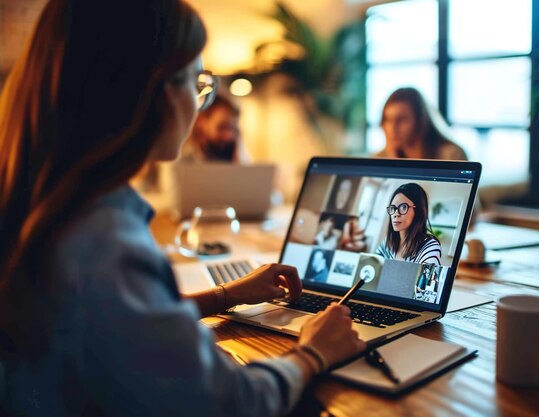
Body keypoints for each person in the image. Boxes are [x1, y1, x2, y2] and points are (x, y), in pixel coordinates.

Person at [0, 1, 365, 416]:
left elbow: (126, 326)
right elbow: (231, 405)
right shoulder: (105, 243)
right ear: (152, 92)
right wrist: (314, 354)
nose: (200, 103)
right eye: (197, 83)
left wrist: (226, 295)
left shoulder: (44, 206)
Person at [375, 87, 467, 160]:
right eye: (388, 120)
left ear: (420, 121)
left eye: (402, 119)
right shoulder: (379, 158)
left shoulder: (451, 156)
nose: (393, 128)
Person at [376, 183, 442, 265]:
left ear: (418, 211)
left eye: (403, 207)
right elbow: (373, 271)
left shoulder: (429, 246)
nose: (396, 214)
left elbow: (425, 278)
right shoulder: (388, 242)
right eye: (393, 208)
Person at [181, 94, 251, 162]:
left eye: (234, 129)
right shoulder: (183, 160)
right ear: (201, 122)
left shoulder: (233, 153)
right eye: (222, 127)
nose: (229, 136)